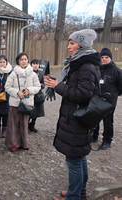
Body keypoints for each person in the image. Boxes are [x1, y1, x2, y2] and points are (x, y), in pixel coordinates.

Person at [44, 29, 101, 200]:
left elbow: (83, 94)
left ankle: (73, 196)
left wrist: (58, 86)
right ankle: (80, 193)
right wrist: (58, 82)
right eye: (69, 42)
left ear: (81, 45)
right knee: (79, 158)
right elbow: (77, 87)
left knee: (74, 161)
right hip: (76, 117)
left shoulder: (85, 66)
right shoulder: (79, 63)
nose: (68, 47)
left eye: (72, 43)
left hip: (77, 119)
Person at [4, 53, 40, 152]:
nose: (24, 61)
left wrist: (29, 90)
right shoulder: (13, 73)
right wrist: (17, 92)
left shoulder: (33, 74)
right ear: (18, 61)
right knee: (14, 124)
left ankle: (24, 143)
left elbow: (38, 87)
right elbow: (7, 87)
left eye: (25, 59)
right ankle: (14, 143)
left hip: (27, 103)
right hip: (15, 102)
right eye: (21, 59)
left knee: (24, 124)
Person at [93, 48, 122, 149]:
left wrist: (114, 95)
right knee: (95, 118)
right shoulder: (97, 69)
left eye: (106, 57)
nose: (104, 59)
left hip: (109, 101)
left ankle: (107, 140)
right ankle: (94, 136)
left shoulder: (117, 71)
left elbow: (120, 86)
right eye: (102, 57)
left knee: (108, 121)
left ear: (110, 58)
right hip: (97, 99)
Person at [0, 55, 12, 138]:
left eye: (3, 62)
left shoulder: (10, 72)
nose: (2, 64)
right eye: (0, 62)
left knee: (6, 113)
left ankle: (5, 128)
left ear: (6, 62)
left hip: (7, 95)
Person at [29, 59, 45, 132]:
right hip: (30, 94)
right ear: (31, 64)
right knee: (29, 111)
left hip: (38, 95)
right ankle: (25, 125)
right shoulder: (29, 73)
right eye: (34, 64)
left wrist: (42, 85)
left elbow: (43, 83)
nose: (35, 65)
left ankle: (32, 125)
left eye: (37, 64)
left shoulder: (41, 73)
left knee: (37, 111)